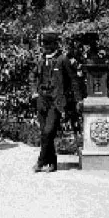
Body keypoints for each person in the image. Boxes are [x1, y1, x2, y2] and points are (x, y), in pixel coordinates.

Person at [29, 28, 81, 173]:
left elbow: (73, 80)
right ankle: (52, 163)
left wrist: (78, 100)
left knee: (48, 131)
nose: (45, 47)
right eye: (44, 44)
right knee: (45, 133)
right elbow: (32, 76)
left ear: (54, 45)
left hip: (56, 101)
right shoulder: (40, 59)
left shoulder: (62, 59)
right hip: (42, 99)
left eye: (47, 44)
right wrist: (34, 92)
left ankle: (40, 162)